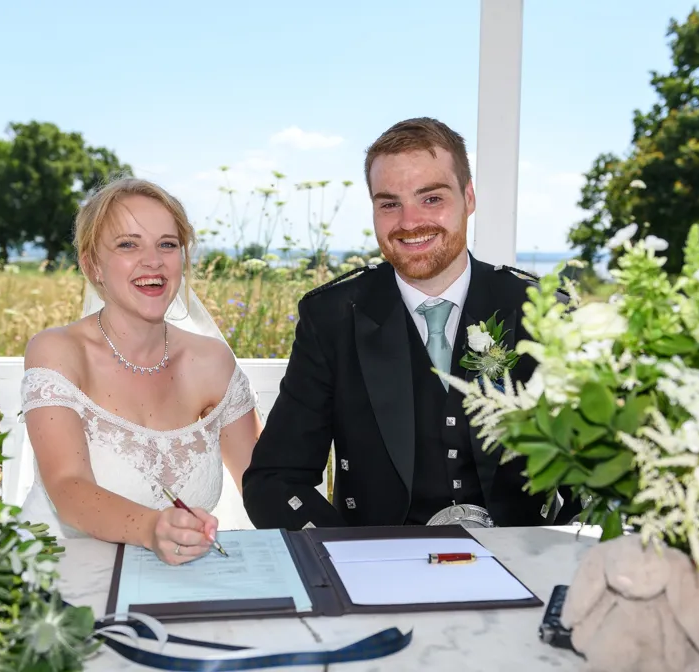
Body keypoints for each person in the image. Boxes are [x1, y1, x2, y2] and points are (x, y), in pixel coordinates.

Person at [242, 117, 579, 531]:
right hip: (377, 576)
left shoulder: (541, 312)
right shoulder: (332, 317)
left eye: (431, 198)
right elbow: (274, 480)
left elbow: (598, 477)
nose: (409, 222)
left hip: (527, 570)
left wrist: (560, 551)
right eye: (389, 204)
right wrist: (347, 559)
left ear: (468, 198)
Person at [18, 176, 262, 564]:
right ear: (91, 264)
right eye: (128, 244)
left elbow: (263, 483)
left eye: (167, 245)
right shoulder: (58, 352)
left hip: (181, 580)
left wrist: (327, 542)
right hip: (64, 572)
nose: (154, 261)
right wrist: (152, 528)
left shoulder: (212, 362)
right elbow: (68, 484)